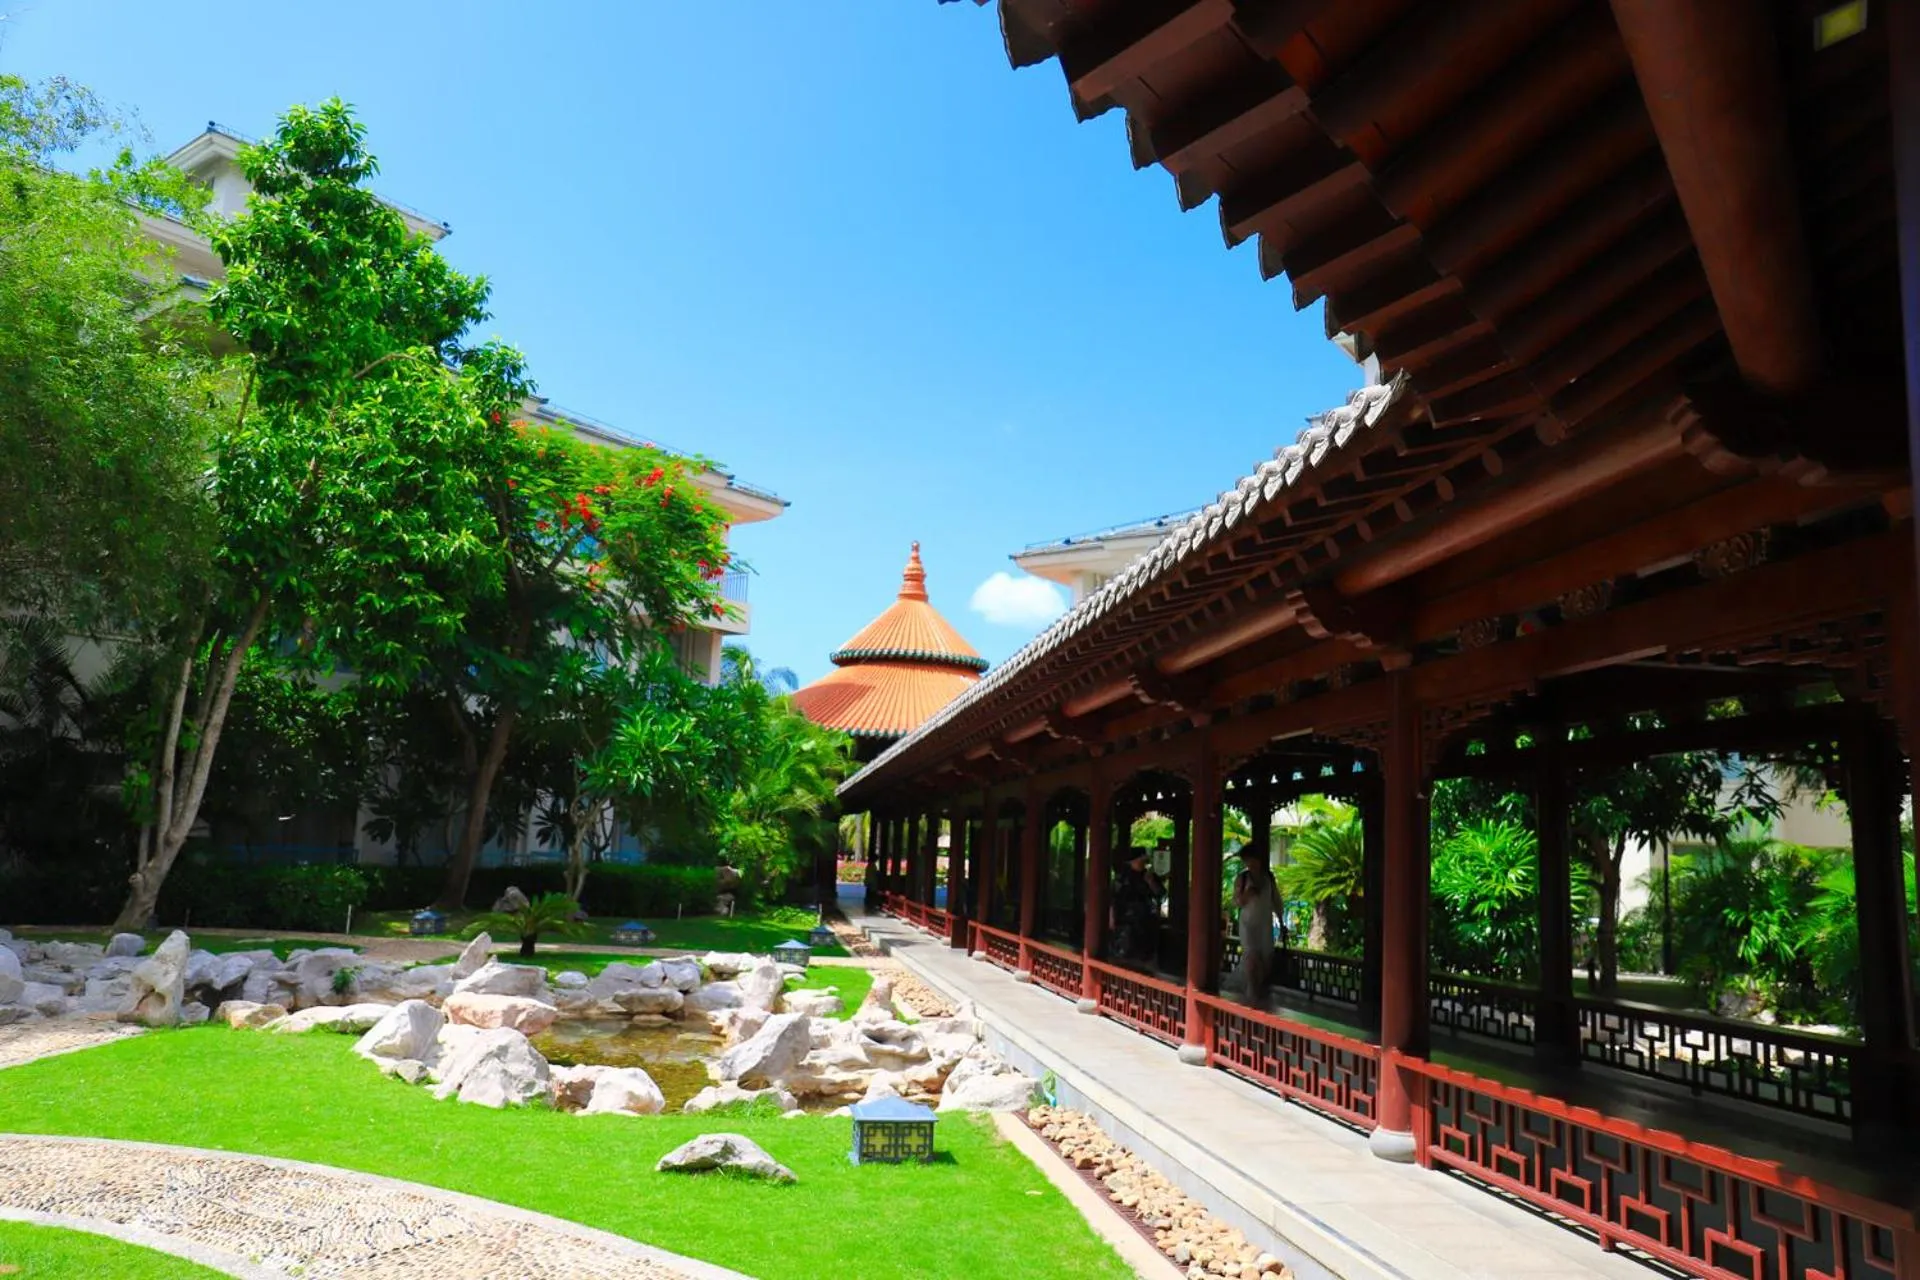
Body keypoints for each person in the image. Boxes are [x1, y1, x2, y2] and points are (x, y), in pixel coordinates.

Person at [1233, 854, 1277, 1006]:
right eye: (1247, 861)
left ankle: (1258, 992)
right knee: (1251, 957)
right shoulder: (1243, 879)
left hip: (1264, 924)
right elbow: (1236, 901)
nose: (1250, 864)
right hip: (1248, 924)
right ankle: (1251, 996)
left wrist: (1281, 920)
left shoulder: (1268, 878)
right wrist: (1247, 894)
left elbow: (1276, 900)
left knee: (1265, 961)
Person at [1110, 849, 1162, 965]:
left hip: (1145, 918)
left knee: (1144, 952)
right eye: (1141, 859)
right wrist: (1111, 916)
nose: (1143, 862)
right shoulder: (1122, 877)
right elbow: (1113, 898)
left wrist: (1150, 882)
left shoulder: (1149, 876)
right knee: (1126, 950)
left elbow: (1160, 894)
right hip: (1125, 920)